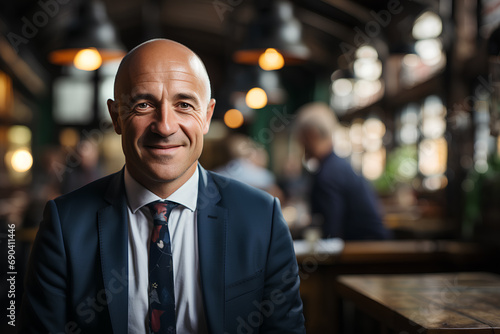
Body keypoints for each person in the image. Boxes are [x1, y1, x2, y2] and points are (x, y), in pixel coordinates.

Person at [20, 39, 305, 334]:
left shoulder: (262, 217)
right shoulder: (64, 223)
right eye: (144, 104)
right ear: (116, 117)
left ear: (207, 116)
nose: (165, 126)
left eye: (184, 105)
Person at [295, 102, 391, 240]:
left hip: (366, 255)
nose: (300, 144)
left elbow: (331, 233)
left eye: (301, 137)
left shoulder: (328, 174)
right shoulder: (336, 165)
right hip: (372, 250)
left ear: (312, 135)